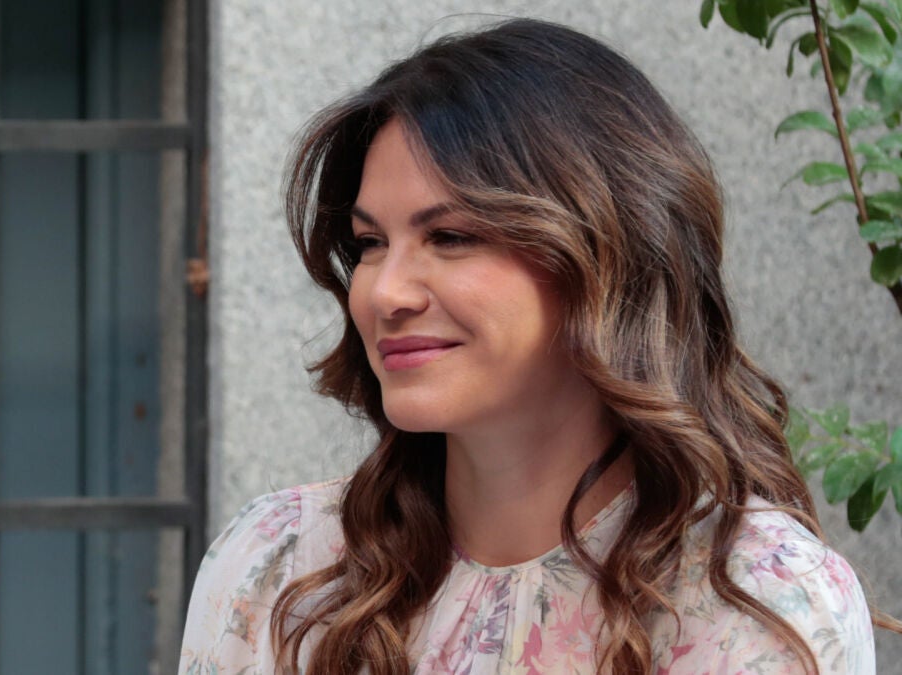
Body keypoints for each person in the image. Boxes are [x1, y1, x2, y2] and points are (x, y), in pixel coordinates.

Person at [179, 18, 888, 675]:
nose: (386, 292)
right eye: (370, 243)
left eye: (450, 236)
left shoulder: (754, 602)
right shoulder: (280, 569)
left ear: (609, 254)